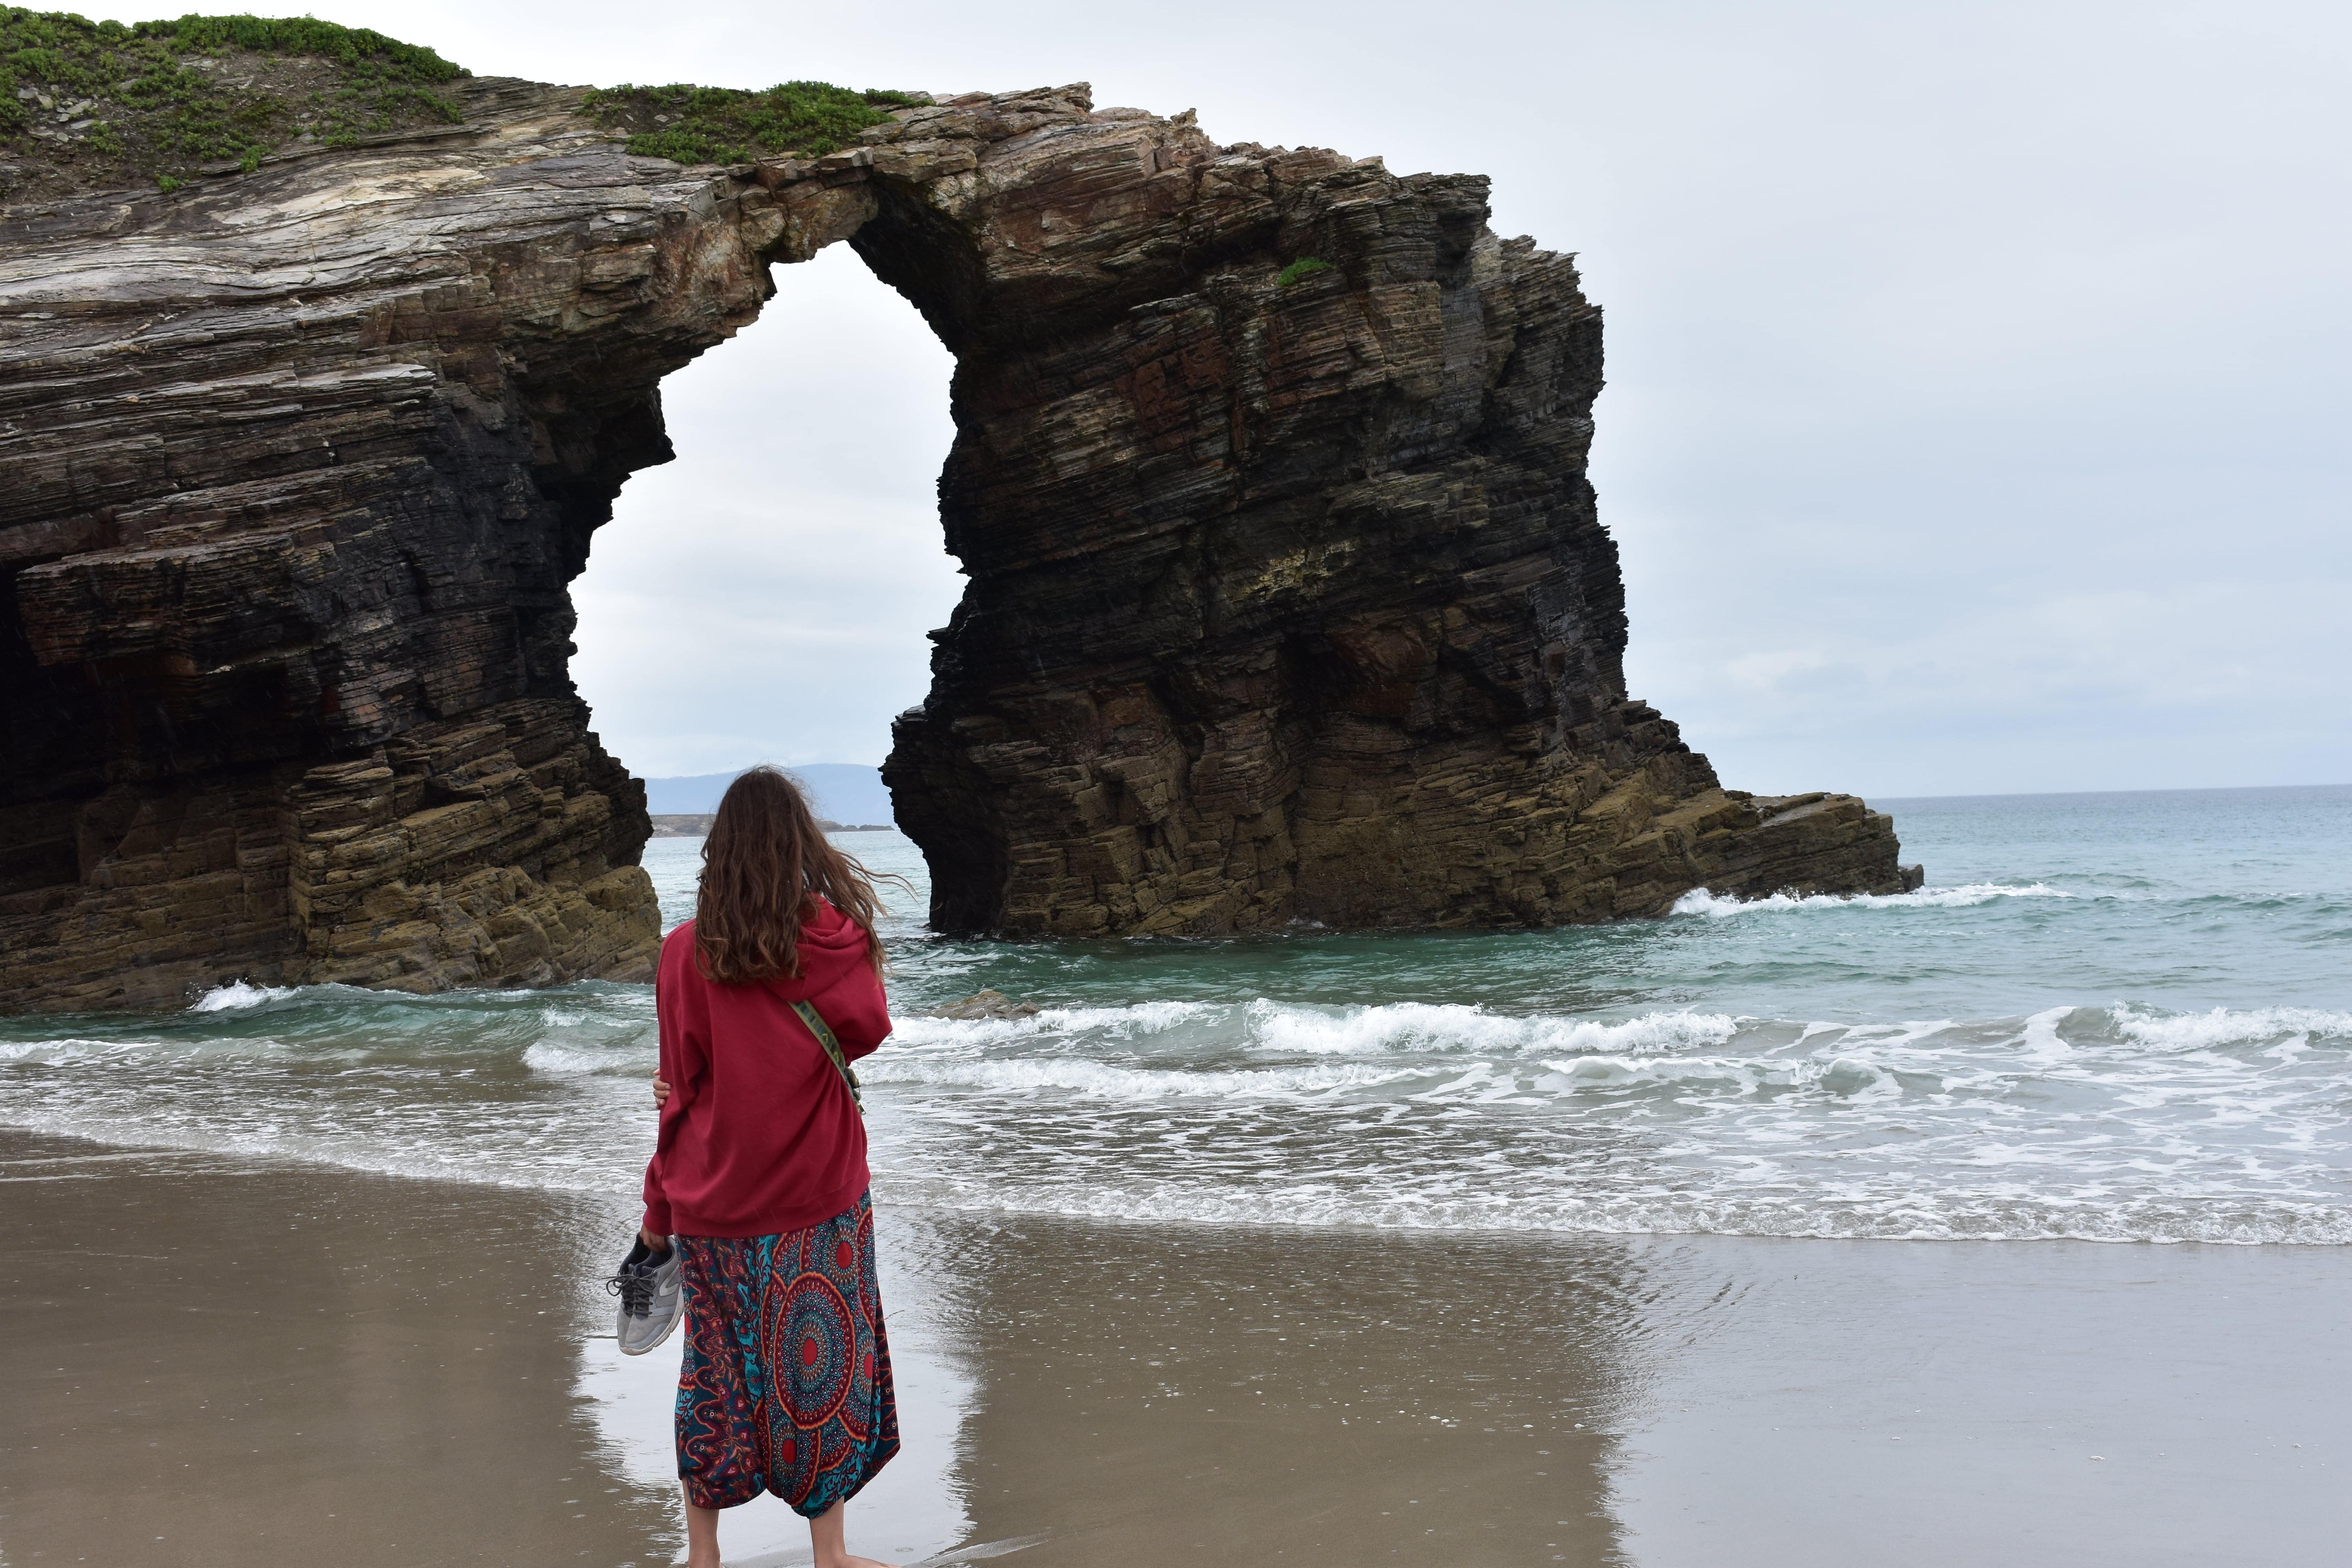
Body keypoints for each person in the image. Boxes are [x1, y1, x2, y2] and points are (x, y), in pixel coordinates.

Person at [631, 767, 901, 1568]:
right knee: (816, 1366)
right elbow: (869, 1029)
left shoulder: (683, 951)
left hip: (714, 1201)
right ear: (800, 848)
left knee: (712, 1373)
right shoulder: (835, 939)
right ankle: (831, 1554)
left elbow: (679, 1089)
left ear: (721, 850)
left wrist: (658, 1207)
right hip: (820, 1195)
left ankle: (703, 1556)